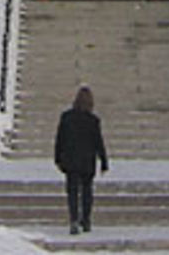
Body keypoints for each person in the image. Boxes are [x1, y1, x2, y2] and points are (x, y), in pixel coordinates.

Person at [54, 84, 109, 234]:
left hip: (71, 160)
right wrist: (104, 161)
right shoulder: (93, 120)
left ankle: (73, 220)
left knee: (72, 192)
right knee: (87, 191)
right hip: (87, 161)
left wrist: (58, 157)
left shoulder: (66, 117)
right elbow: (99, 142)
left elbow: (60, 139)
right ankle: (86, 220)